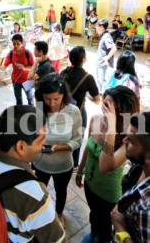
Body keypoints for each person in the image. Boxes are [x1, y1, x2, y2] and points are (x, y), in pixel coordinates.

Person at [0, 105, 65, 242]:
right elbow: (57, 240)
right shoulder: (35, 197)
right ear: (21, 147)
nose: (44, 144)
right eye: (41, 140)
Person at [76, 86, 140, 243]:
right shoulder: (95, 119)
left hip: (108, 193)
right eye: (104, 104)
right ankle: (93, 235)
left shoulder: (127, 139)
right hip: (90, 184)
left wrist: (110, 129)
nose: (104, 110)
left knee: (105, 226)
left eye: (110, 107)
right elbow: (88, 148)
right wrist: (80, 170)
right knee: (93, 215)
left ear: (122, 112)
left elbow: (105, 167)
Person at [34, 75, 82, 227]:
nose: (52, 103)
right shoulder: (39, 109)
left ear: (64, 95)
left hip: (63, 164)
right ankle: (40, 214)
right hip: (40, 163)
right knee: (39, 191)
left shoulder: (73, 112)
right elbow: (32, 135)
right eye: (48, 99)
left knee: (61, 192)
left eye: (57, 98)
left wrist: (58, 148)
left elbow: (77, 140)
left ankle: (59, 213)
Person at [111, 112, 150, 243]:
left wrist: (120, 230)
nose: (124, 141)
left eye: (131, 140)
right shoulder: (139, 165)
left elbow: (106, 166)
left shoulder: (146, 209)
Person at [61, 46, 100, 168]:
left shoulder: (64, 72)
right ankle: (74, 165)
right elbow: (97, 99)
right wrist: (87, 95)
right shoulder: (88, 77)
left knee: (65, 135)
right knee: (77, 139)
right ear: (83, 59)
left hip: (63, 110)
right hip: (79, 112)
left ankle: (63, 159)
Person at [2, 34, 35, 105]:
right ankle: (20, 113)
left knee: (30, 99)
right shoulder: (11, 53)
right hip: (15, 80)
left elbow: (34, 67)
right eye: (14, 44)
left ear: (22, 43)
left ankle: (32, 113)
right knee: (18, 100)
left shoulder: (27, 53)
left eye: (18, 44)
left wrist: (24, 68)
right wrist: (2, 68)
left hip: (27, 80)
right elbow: (4, 65)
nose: (16, 46)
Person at [95, 19, 117, 95]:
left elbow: (114, 48)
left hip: (103, 64)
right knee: (99, 81)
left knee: (103, 81)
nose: (96, 28)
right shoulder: (103, 35)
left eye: (97, 26)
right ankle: (101, 94)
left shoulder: (106, 36)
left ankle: (105, 98)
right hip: (100, 63)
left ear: (101, 27)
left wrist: (107, 58)